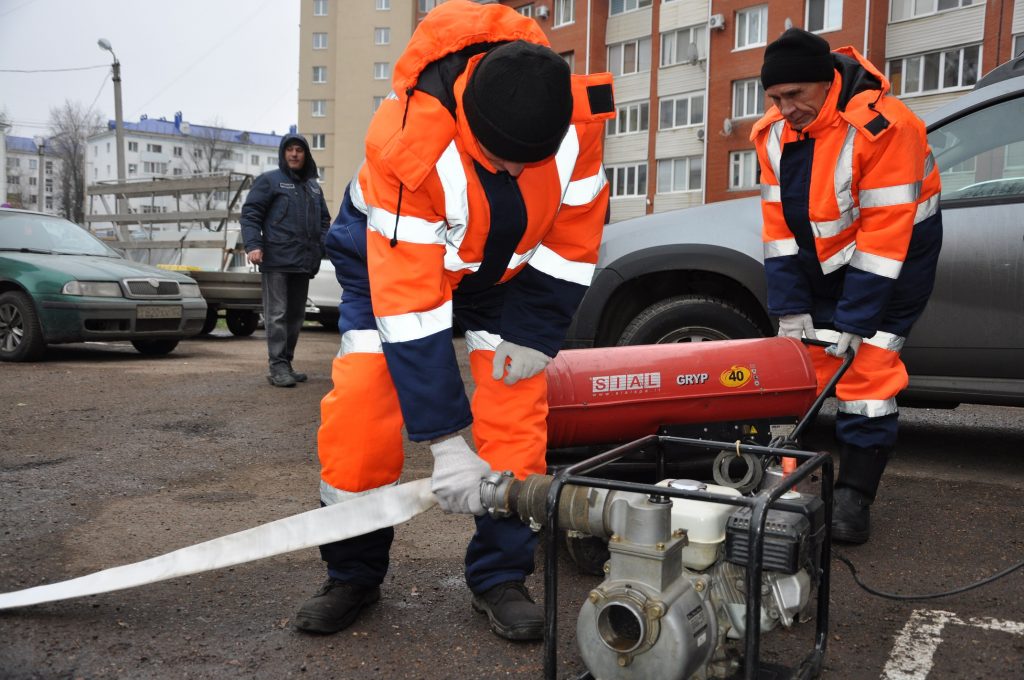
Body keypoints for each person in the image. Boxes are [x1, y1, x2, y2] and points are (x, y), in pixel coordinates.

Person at [292, 0, 613, 640]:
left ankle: (500, 577)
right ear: (471, 123)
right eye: (504, 161)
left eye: (531, 162)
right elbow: (411, 307)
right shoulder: (408, 143)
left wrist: (534, 335)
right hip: (387, 264)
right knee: (363, 406)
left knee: (518, 418)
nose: (520, 173)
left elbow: (574, 239)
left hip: (504, 277)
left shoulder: (575, 120)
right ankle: (352, 573)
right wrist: (444, 442)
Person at [752, 29, 943, 544]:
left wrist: (857, 321)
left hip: (894, 263)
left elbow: (884, 239)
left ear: (827, 82)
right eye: (774, 97)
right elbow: (779, 231)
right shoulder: (771, 133)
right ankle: (778, 484)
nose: (785, 108)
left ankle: (855, 495)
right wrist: (790, 307)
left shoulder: (886, 128)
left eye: (795, 96)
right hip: (821, 259)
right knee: (797, 366)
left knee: (868, 372)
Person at [241, 134, 330, 388]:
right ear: (283, 154)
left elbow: (324, 220)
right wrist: (254, 245)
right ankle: (277, 365)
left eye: (299, 150)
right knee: (277, 314)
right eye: (289, 150)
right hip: (277, 258)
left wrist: (321, 245)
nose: (294, 154)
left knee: (295, 315)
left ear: (306, 155)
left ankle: (286, 363)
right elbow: (250, 215)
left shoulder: (313, 187)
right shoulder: (270, 181)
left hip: (303, 261)